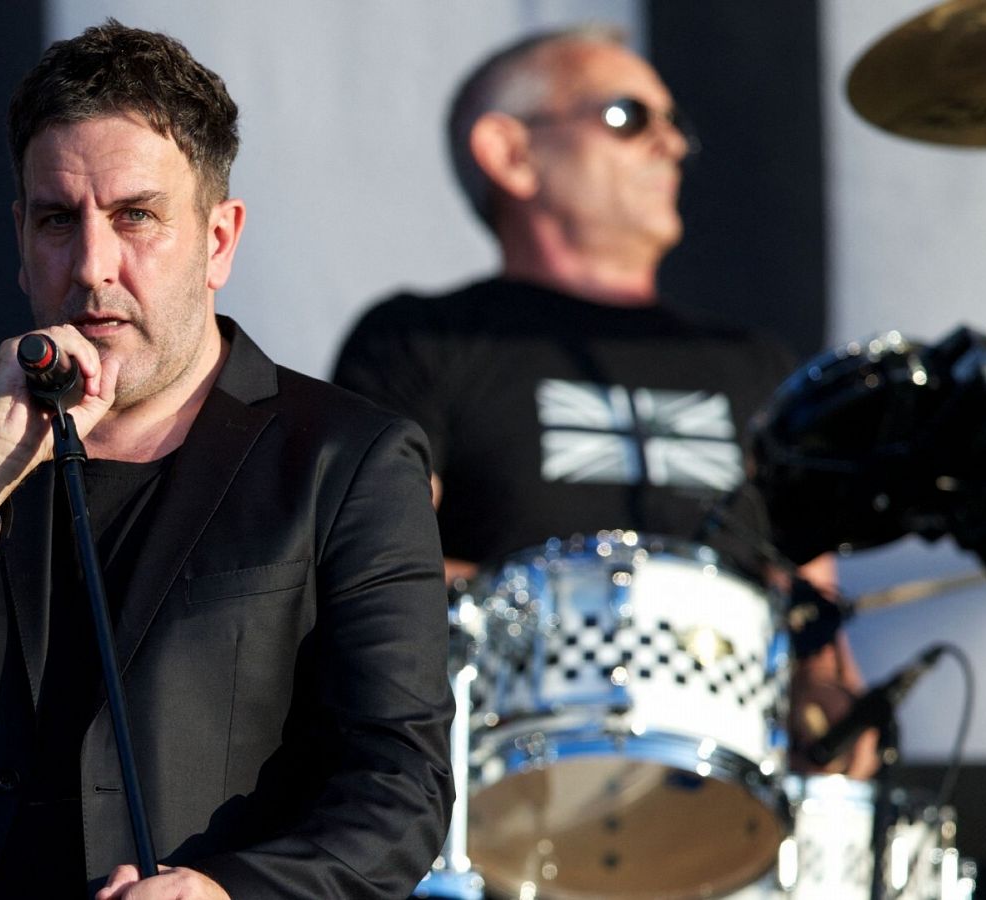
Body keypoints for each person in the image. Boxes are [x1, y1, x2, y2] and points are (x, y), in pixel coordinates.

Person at [0, 21, 453, 900]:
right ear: (20, 238)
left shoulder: (342, 460)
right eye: (58, 220)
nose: (91, 265)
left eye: (136, 217)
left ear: (219, 240)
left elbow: (401, 786)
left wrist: (231, 893)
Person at [331, 25, 873, 776]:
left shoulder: (755, 366)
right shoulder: (421, 340)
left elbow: (815, 617)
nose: (672, 146)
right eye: (630, 117)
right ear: (511, 154)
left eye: (676, 125)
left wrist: (833, 707)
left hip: (725, 806)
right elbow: (367, 575)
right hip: (496, 784)